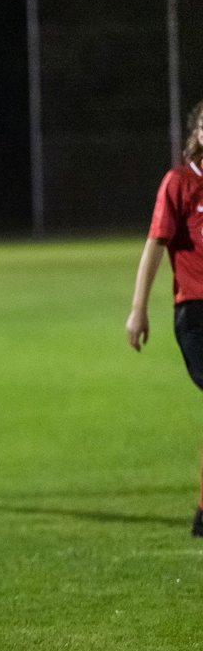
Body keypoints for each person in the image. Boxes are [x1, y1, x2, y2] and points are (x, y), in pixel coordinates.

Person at [126, 99, 203, 537]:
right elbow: (155, 245)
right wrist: (138, 310)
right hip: (195, 313)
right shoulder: (179, 183)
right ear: (197, 133)